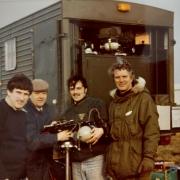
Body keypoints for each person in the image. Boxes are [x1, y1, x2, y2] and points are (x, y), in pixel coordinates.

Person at [105, 59, 160, 180]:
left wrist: (149, 157)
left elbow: (152, 131)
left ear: (131, 77)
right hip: (115, 168)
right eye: (117, 77)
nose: (121, 80)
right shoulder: (113, 102)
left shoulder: (143, 99)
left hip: (136, 167)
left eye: (124, 76)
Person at [59, 75, 109, 180]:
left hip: (94, 159)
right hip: (76, 161)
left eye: (78, 88)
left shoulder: (96, 104)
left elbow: (108, 125)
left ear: (85, 90)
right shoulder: (67, 112)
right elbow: (65, 135)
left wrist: (102, 130)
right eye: (72, 89)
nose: (75, 92)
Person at [25, 79, 72, 180]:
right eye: (37, 93)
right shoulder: (25, 112)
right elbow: (32, 141)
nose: (41, 96)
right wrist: (57, 136)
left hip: (47, 163)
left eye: (44, 93)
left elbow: (44, 130)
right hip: (31, 166)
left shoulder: (49, 109)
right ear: (29, 94)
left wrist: (54, 128)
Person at [0, 73, 33, 180]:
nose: (22, 98)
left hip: (21, 175)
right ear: (8, 92)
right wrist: (3, 176)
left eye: (26, 94)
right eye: (18, 92)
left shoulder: (23, 114)